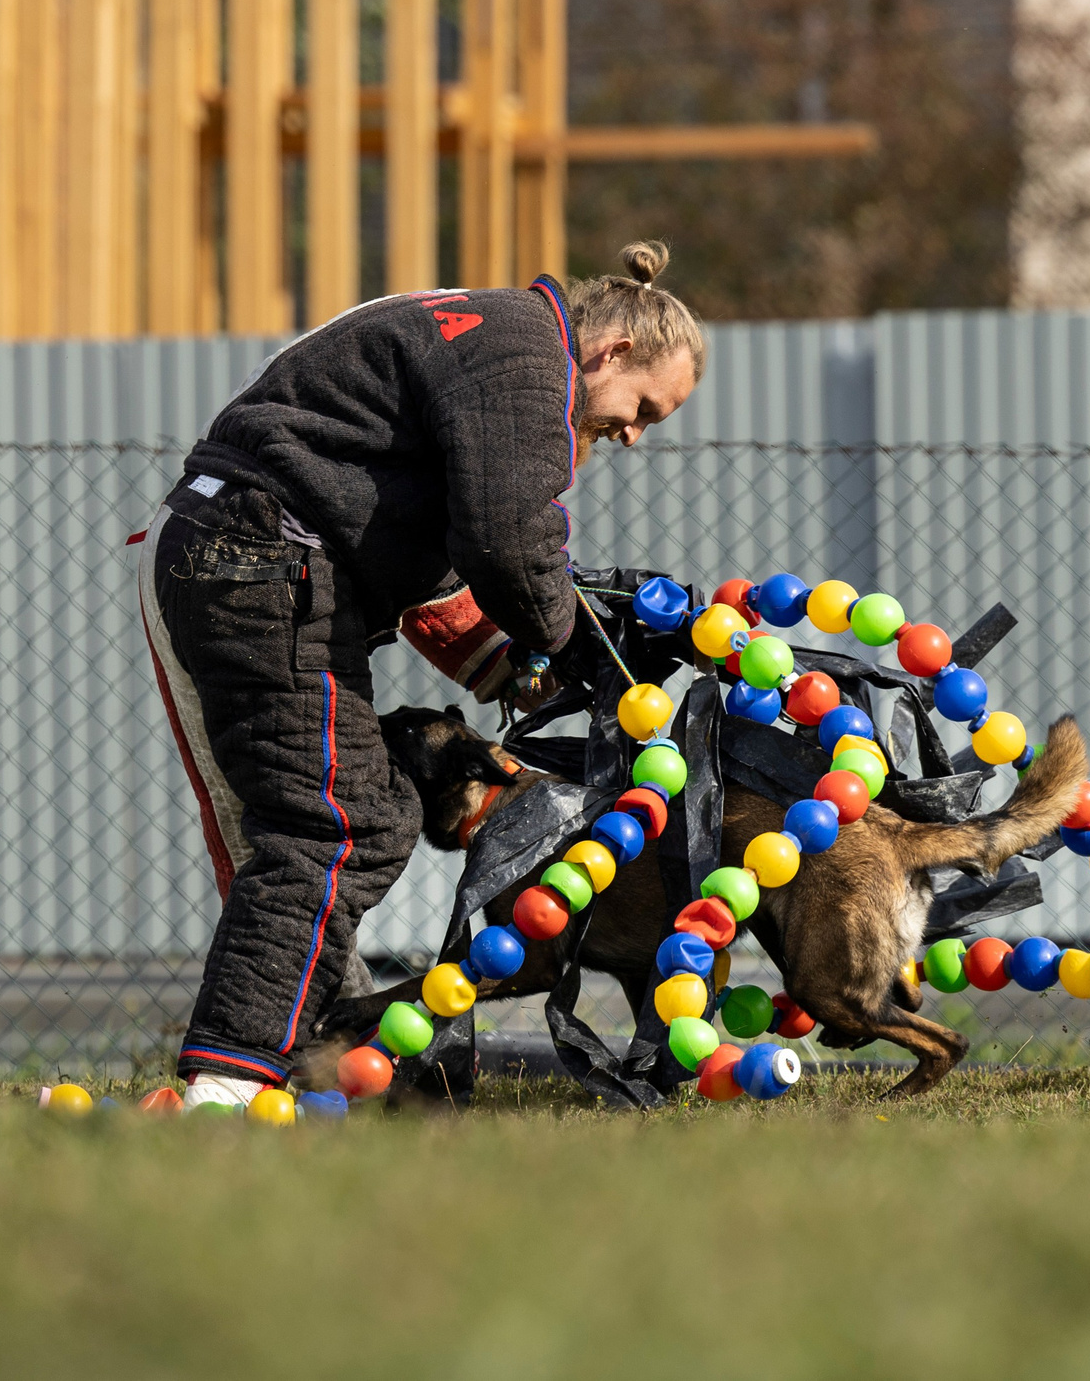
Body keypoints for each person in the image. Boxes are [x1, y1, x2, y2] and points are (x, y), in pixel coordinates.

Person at [136, 243, 706, 1109]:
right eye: (643, 411)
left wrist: (513, 664)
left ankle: (317, 1063)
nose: (631, 435)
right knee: (335, 827)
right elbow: (507, 538)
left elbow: (432, 554)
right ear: (613, 350)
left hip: (236, 548)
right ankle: (226, 1084)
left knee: (358, 816)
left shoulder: (494, 334)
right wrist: (578, 648)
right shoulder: (526, 359)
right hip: (264, 557)